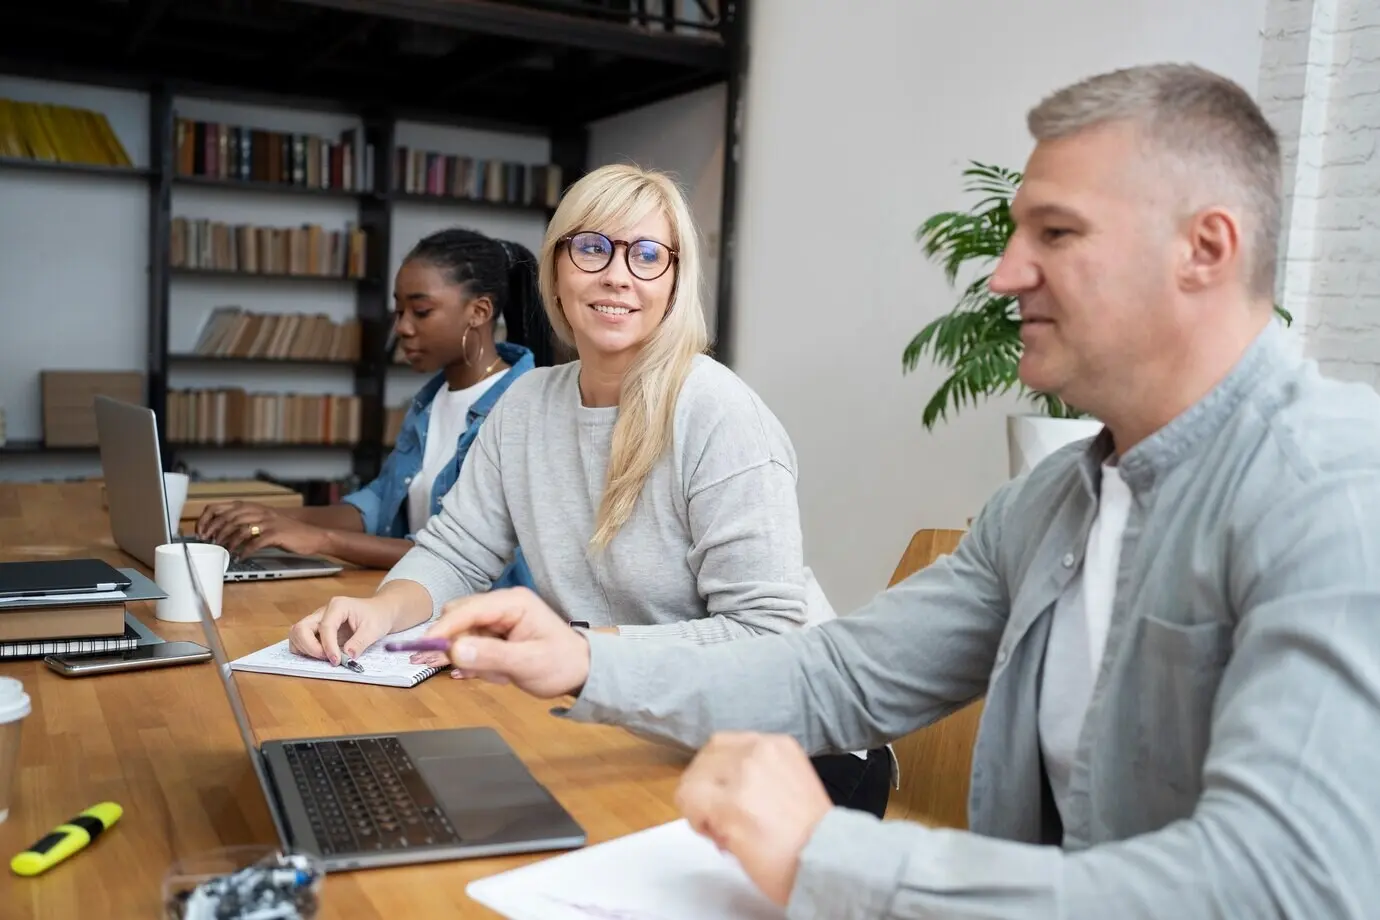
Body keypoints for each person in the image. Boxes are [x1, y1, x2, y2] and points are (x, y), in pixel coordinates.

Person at [403, 63, 1380, 919]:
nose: (1005, 275)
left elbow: (1284, 887)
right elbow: (837, 675)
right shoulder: (1051, 504)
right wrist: (584, 661)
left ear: (1205, 249)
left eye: (1056, 233)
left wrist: (828, 856)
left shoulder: (1335, 491)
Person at [286, 163, 893, 819]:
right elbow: (456, 551)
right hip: (640, 725)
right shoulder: (525, 406)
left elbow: (764, 635)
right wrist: (380, 612)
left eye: (648, 255)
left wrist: (578, 647)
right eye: (592, 248)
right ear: (556, 270)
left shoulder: (718, 412)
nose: (617, 275)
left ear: (675, 281)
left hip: (795, 749)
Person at [196, 228, 540, 584]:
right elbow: (378, 503)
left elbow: (466, 553)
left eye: (421, 311)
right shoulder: (431, 401)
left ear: (479, 311)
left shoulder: (524, 409)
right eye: (399, 311)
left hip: (481, 609)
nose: (402, 327)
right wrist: (269, 517)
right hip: (417, 592)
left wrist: (321, 539)